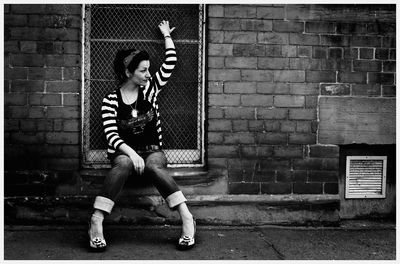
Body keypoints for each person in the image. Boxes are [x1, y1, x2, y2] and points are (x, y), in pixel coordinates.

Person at [88, 20, 196, 252]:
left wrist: (166, 35)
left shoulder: (151, 88)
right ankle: (96, 220)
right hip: (124, 154)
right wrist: (132, 153)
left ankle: (187, 218)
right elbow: (111, 136)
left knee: (155, 166)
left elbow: (171, 62)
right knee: (124, 162)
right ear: (128, 72)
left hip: (151, 150)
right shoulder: (110, 101)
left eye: (149, 69)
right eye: (143, 70)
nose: (149, 74)